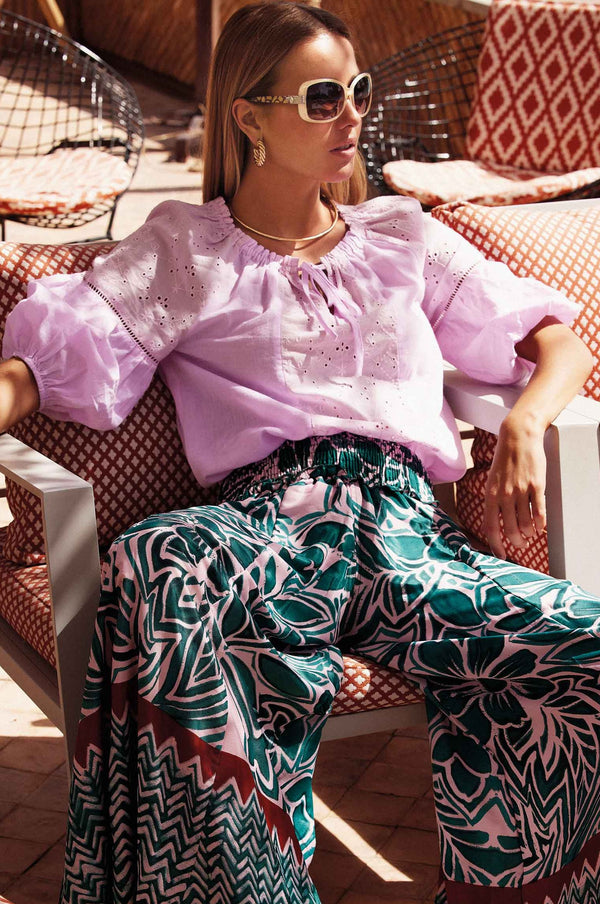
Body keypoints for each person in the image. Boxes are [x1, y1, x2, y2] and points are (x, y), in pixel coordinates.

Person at [2, 2, 599, 902]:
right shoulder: (188, 250)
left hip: (407, 542)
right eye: (323, 98)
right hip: (268, 531)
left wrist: (522, 425)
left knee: (582, 640)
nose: (351, 115)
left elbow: (558, 344)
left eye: (358, 90)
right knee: (158, 562)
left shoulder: (402, 237)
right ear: (249, 116)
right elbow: (52, 360)